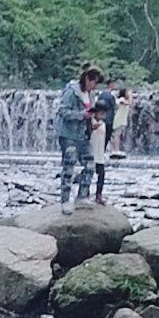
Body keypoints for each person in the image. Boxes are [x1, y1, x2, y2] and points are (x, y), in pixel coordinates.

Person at [55, 63, 101, 213]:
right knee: (69, 167)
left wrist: (92, 121)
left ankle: (81, 197)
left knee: (90, 166)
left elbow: (88, 112)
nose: (95, 86)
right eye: (94, 82)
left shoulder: (91, 94)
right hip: (68, 135)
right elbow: (62, 111)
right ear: (87, 78)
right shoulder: (71, 91)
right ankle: (65, 201)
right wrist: (80, 115)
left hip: (83, 135)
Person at [90, 99, 108, 204]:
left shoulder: (103, 124)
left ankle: (99, 195)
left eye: (103, 114)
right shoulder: (91, 122)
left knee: (101, 175)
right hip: (91, 154)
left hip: (100, 155)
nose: (101, 116)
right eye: (100, 113)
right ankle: (85, 194)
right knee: (88, 174)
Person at [110, 81, 132, 157]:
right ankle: (115, 150)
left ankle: (117, 149)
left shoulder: (123, 99)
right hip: (118, 119)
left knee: (118, 135)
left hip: (122, 119)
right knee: (117, 134)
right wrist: (130, 95)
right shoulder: (121, 99)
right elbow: (129, 103)